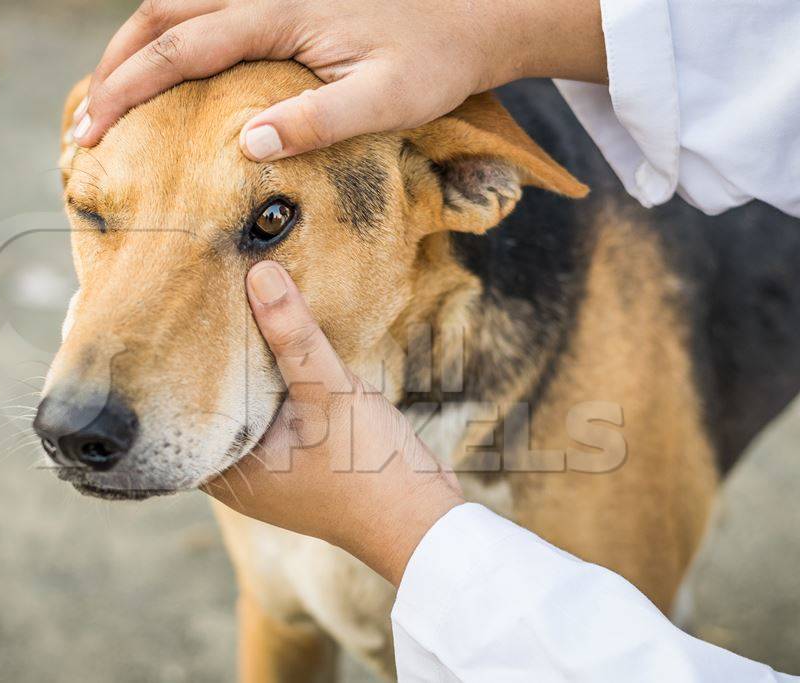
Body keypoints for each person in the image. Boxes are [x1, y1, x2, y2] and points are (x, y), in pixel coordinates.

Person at [69, 1, 800, 679]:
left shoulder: (593, 416)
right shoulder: (240, 396)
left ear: (459, 179)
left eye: (267, 223)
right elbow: (283, 622)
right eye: (97, 212)